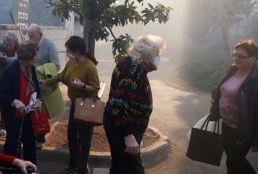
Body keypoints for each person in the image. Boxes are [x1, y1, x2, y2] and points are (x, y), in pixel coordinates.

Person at [103, 35, 165, 174]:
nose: (158, 57)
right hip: (123, 128)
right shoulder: (133, 71)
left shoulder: (133, 65)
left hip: (120, 125)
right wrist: (128, 136)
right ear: (147, 56)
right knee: (133, 169)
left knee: (120, 166)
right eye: (157, 54)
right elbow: (116, 105)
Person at [40, 36, 99, 174]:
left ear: (77, 50)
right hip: (74, 105)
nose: (67, 53)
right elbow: (61, 76)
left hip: (85, 106)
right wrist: (46, 82)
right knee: (72, 135)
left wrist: (82, 86)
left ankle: (82, 168)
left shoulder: (89, 67)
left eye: (68, 50)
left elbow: (95, 89)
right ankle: (74, 163)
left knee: (84, 140)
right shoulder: (71, 63)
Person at [209, 39, 258, 174]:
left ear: (253, 59)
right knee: (234, 158)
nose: (236, 58)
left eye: (240, 56)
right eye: (234, 54)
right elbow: (222, 90)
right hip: (226, 124)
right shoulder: (232, 70)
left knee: (233, 162)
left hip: (242, 129)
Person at [0, 42, 42, 164]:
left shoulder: (30, 68)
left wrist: (37, 99)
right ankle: (10, 170)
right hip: (14, 116)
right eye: (35, 56)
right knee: (13, 146)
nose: (37, 58)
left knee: (30, 145)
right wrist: (14, 101)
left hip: (29, 114)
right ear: (27, 59)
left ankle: (31, 169)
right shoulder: (11, 70)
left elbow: (36, 88)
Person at [27, 23, 60, 148]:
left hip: (41, 84)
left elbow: (56, 65)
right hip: (28, 83)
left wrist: (41, 71)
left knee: (40, 112)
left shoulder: (49, 45)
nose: (30, 39)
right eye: (29, 36)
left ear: (40, 35)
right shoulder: (29, 45)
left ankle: (40, 139)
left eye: (32, 36)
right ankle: (30, 137)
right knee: (29, 110)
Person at [0, 31, 21, 136]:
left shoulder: (20, 48)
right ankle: (3, 125)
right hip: (2, 78)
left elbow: (21, 60)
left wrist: (9, 59)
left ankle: (14, 124)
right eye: (6, 44)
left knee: (15, 102)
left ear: (15, 42)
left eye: (10, 44)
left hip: (16, 78)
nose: (8, 46)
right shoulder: (0, 47)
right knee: (3, 103)